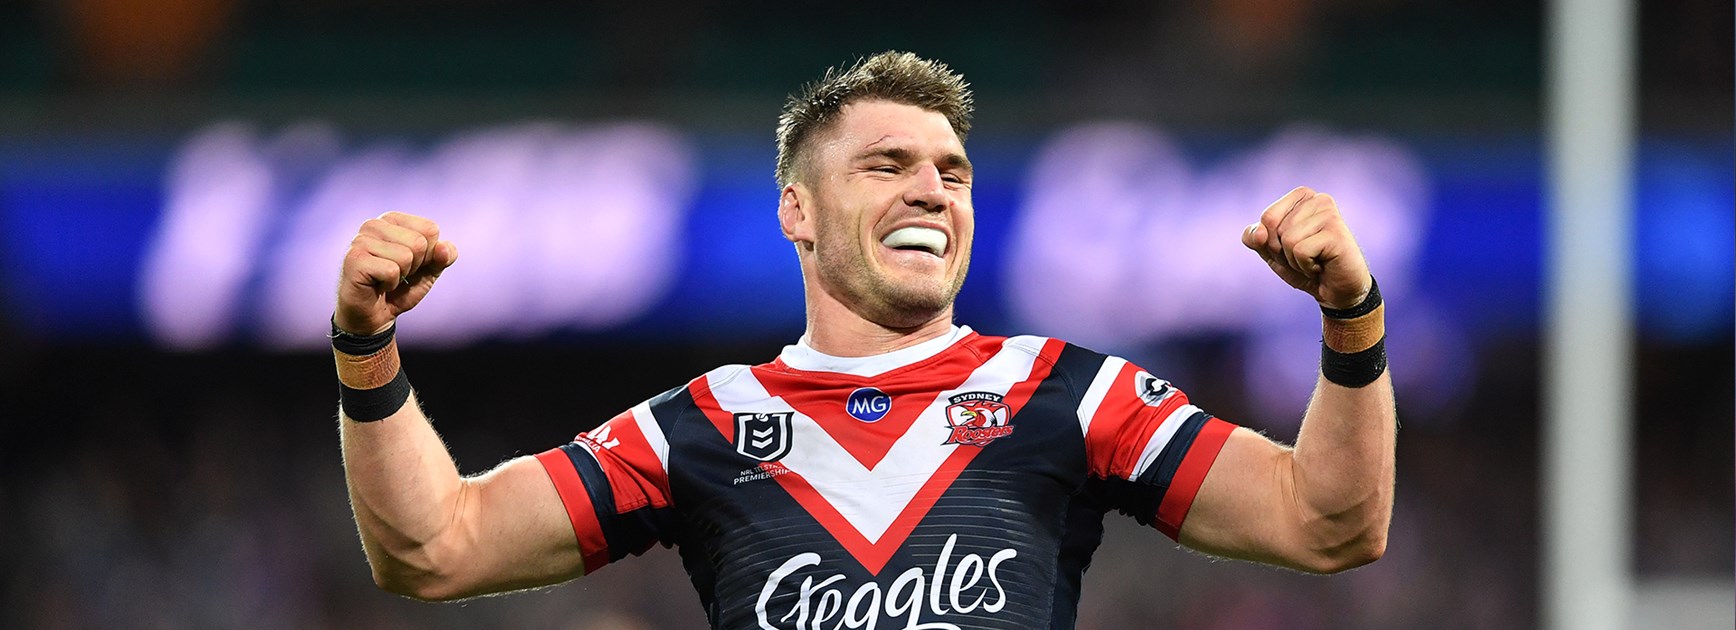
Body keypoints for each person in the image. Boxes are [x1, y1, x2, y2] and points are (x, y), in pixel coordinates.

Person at [330, 51, 1395, 629]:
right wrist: (365, 345)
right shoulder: (699, 426)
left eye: (951, 171)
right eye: (886, 165)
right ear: (796, 211)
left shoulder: (1070, 393)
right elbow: (436, 547)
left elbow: (1327, 523)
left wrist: (1351, 320)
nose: (931, 188)